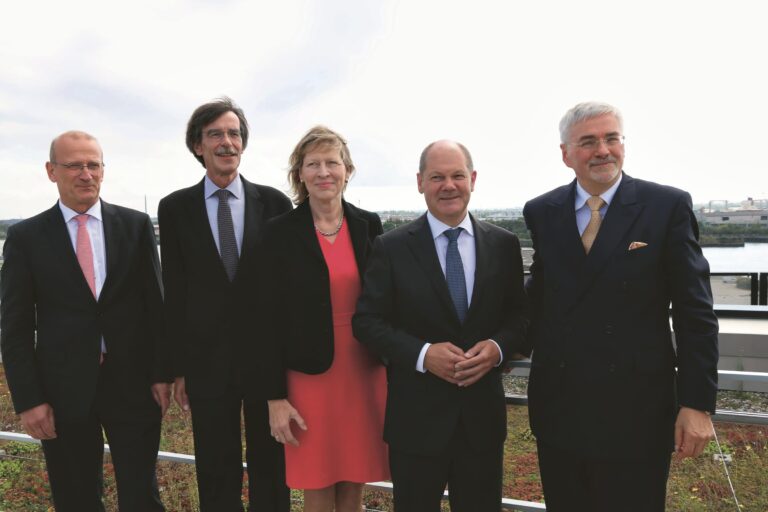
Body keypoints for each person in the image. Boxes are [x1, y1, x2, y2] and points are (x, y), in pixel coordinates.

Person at [523, 101, 719, 511]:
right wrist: (498, 346)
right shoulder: (542, 211)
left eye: (612, 138)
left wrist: (696, 403)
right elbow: (538, 301)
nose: (603, 150)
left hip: (638, 413)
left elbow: (694, 312)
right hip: (561, 411)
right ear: (566, 154)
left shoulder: (665, 206)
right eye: (589, 141)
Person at [352, 140, 528, 512]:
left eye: (457, 175)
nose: (448, 185)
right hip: (416, 423)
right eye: (437, 177)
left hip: (481, 423)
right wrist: (422, 354)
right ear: (420, 182)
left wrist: (496, 349)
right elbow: (367, 322)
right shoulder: (390, 247)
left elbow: (521, 317)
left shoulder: (504, 244)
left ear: (473, 179)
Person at [0, 131, 169, 511]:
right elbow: (15, 327)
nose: (85, 174)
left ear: (103, 171)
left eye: (93, 165)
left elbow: (156, 310)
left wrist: (162, 373)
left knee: (142, 496)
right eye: (74, 165)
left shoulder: (136, 226)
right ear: (51, 171)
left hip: (133, 386)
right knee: (75, 498)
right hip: (62, 392)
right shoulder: (26, 238)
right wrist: (29, 399)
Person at [158, 97, 293, 511]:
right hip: (205, 363)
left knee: (272, 469)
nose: (226, 142)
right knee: (216, 469)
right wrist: (176, 368)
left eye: (234, 133)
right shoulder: (175, 208)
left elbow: (286, 292)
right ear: (198, 146)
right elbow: (174, 294)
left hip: (266, 363)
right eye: (215, 134)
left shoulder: (275, 204)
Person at [252, 125, 389, 512]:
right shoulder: (278, 234)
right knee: (316, 482)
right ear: (300, 174)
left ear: (347, 170)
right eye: (313, 164)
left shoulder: (369, 224)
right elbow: (264, 321)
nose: (324, 172)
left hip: (363, 371)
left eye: (333, 162)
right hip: (307, 377)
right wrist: (274, 397)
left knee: (354, 481)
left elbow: (385, 299)